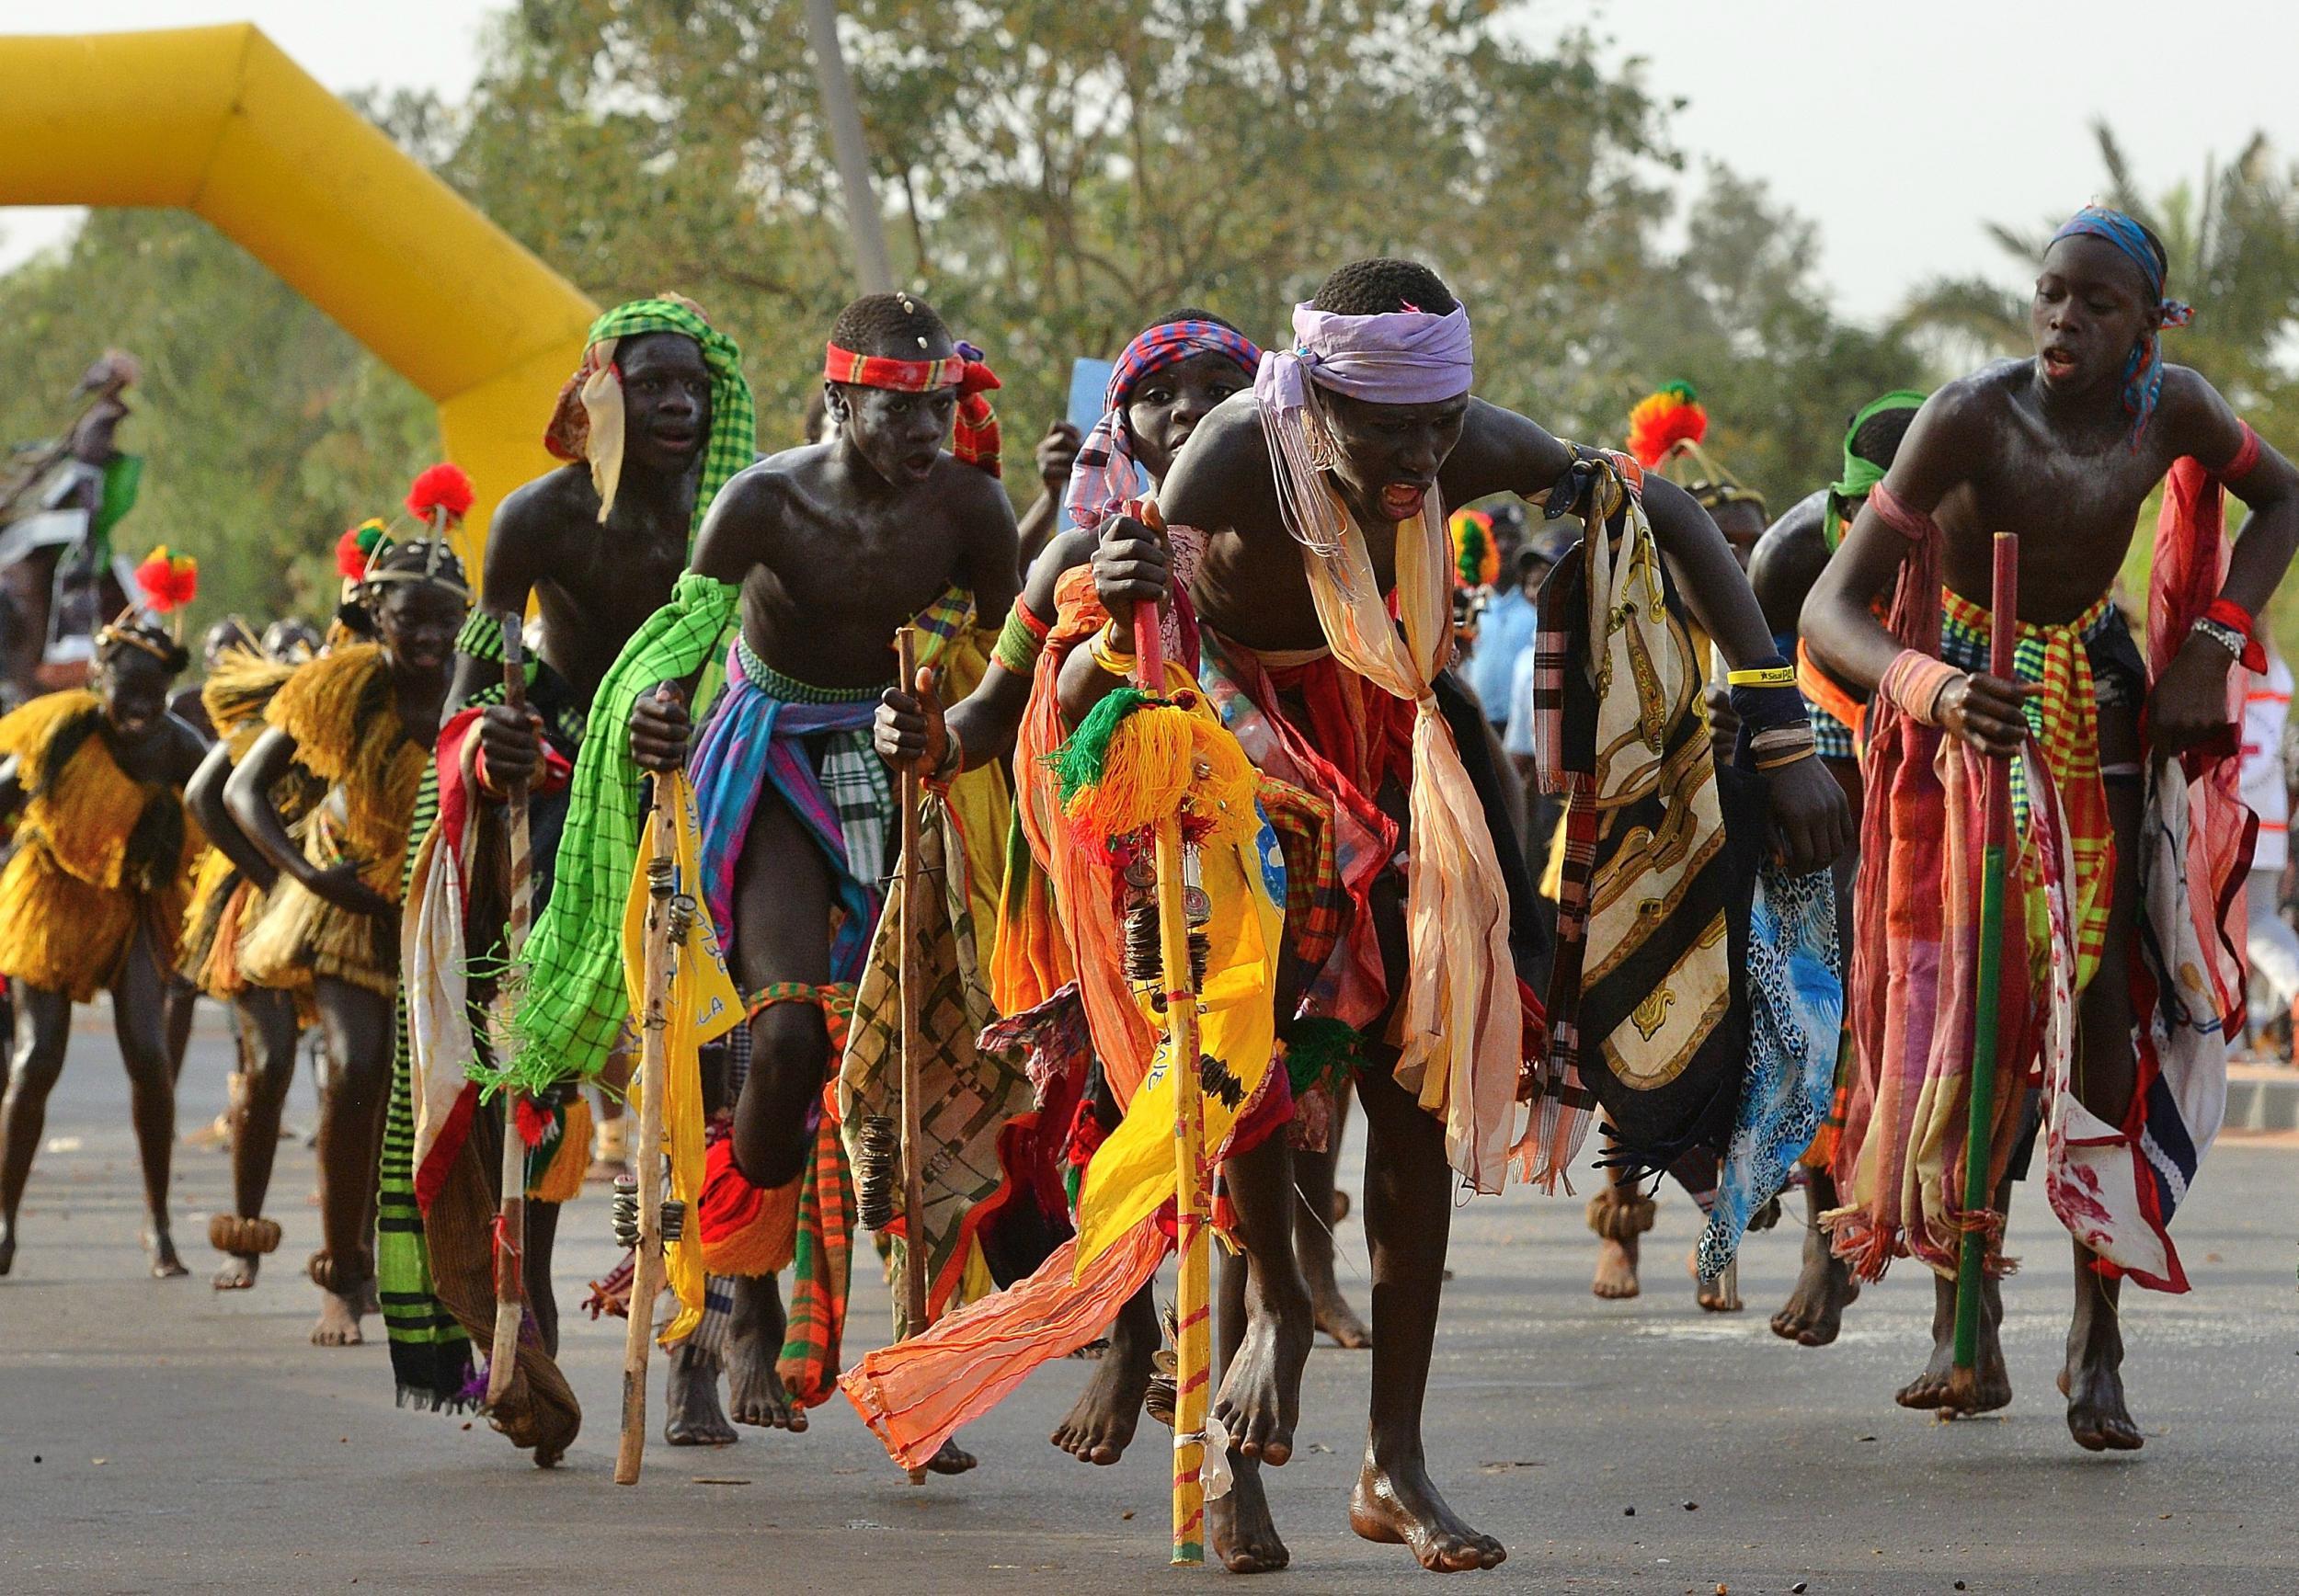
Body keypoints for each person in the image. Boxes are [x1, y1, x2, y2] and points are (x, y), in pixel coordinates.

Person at [1100, 259, 1844, 1572]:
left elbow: (1646, 504)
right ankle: (1261, 1342)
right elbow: (1121, 603)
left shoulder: (1465, 444)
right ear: (1318, 395)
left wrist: (1776, 710)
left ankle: (1393, 1462)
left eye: (1443, 427)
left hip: (1399, 752)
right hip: (1242, 753)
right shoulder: (1228, 459)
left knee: (1413, 1090)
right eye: (1391, 429)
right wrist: (1122, 573)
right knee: (1247, 1069)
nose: (1423, 457)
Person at [1803, 206, 2299, 1450]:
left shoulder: (2171, 409)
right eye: (2051, 297)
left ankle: (2098, 1335)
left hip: (2096, 697)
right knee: (1966, 1005)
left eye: (2097, 304)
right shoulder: (1972, 416)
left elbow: (2283, 500)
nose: (2064, 322)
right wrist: (1935, 686)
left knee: (2101, 1010)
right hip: (1964, 712)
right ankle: (1959, 1321)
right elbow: (1833, 608)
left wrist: (2212, 641)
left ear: (2149, 327)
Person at [506, 291, 1017, 1468]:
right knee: (777, 1042)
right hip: (770, 759)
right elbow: (677, 642)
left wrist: (938, 713)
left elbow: (1005, 655)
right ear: (838, 401)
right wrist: (652, 713)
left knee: (907, 1072)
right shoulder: (763, 500)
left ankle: (915, 1369)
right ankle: (729, 1303)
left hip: (898, 762)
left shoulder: (972, 509)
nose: (927, 431)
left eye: (941, 406)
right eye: (898, 410)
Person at [873, 312, 1307, 1465]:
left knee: (1234, 1086)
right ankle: (1121, 1335)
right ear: (1125, 419)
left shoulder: (1282, 546)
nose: (1191, 408)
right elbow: (987, 718)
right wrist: (922, 733)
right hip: (1101, 880)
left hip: (1244, 865)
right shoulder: (1073, 559)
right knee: (1108, 1112)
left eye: (1222, 386)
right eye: (1166, 391)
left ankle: (1273, 1327)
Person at [386, 296, 756, 1461]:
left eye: (693, 385)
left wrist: (698, 722)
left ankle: (698, 1339)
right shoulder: (536, 519)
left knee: (710, 1052)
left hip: (703, 756)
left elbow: (777, 644)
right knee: (530, 1054)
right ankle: (524, 1332)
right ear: (598, 391)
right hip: (554, 775)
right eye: (651, 384)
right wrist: (485, 752)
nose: (679, 405)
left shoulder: (736, 515)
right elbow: (473, 691)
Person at [227, 483, 470, 1345]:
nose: (430, 638)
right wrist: (296, 879)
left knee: (435, 1095)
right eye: (411, 620)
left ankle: (427, 1267)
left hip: (441, 914)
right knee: (353, 1069)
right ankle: (341, 1276)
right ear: (376, 612)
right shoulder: (341, 686)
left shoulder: (475, 691)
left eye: (447, 621)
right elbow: (236, 791)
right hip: (346, 905)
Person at [1746, 389, 1924, 1347]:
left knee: (1952, 1014)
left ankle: (1960, 1281)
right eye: (1874, 529)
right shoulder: (1788, 561)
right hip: (1824, 760)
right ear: (1844, 516)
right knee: (1818, 998)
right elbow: (1751, 692)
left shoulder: (1982, 560)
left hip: (1948, 758)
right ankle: (1825, 1237)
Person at [0, 610, 203, 1277]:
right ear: (97, 678)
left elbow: (226, 804)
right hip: (51, 901)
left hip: (133, 907)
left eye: (155, 691)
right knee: (38, 1057)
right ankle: (4, 1219)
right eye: (128, 688)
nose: (141, 706)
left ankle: (159, 1223)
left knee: (149, 1053)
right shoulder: (62, 733)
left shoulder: (179, 747)